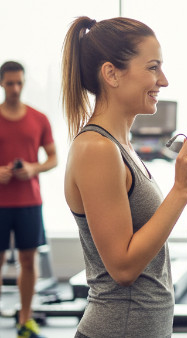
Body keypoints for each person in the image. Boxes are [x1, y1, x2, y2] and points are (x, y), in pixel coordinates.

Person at [61, 17, 187, 337]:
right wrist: (181, 190)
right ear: (111, 73)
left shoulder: (121, 146)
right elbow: (124, 267)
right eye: (153, 68)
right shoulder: (96, 149)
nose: (164, 80)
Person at [0, 61, 57, 338]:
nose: (15, 88)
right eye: (10, 83)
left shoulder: (39, 118)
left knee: (28, 261)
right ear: (2, 83)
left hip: (29, 203)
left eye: (19, 83)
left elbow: (54, 158)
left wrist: (34, 168)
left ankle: (25, 320)